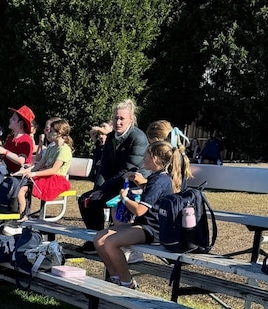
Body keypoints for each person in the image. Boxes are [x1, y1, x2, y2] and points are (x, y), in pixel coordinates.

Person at [92, 140, 179, 289]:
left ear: (155, 159)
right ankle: (115, 279)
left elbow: (139, 210)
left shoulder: (160, 180)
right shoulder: (156, 177)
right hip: (143, 225)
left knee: (110, 243)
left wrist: (124, 198)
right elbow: (152, 192)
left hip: (153, 229)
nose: (143, 158)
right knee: (99, 239)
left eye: (146, 155)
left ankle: (128, 284)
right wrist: (141, 183)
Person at [77, 99, 150, 250]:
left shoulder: (138, 138)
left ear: (131, 119)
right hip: (115, 181)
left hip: (133, 184)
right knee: (86, 200)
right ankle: (94, 239)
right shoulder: (110, 137)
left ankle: (104, 241)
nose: (118, 122)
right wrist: (98, 188)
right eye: (116, 118)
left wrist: (103, 190)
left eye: (122, 118)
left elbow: (128, 169)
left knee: (100, 199)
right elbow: (104, 166)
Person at [15, 118, 74, 217]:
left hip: (56, 180)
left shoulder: (64, 150)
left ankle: (22, 217)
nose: (48, 133)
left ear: (58, 133)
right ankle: (21, 216)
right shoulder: (51, 148)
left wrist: (33, 174)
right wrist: (23, 171)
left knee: (22, 190)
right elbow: (38, 165)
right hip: (46, 176)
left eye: (51, 131)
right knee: (19, 187)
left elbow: (53, 170)